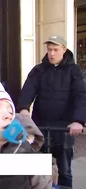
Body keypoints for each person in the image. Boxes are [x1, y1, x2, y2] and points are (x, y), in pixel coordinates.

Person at [18, 35, 86, 188]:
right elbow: (28, 89)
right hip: (41, 125)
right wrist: (23, 108)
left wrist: (79, 120)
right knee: (38, 168)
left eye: (55, 49)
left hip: (64, 128)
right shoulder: (39, 70)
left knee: (65, 170)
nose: (52, 53)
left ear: (64, 50)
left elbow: (81, 95)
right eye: (49, 50)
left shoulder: (74, 71)